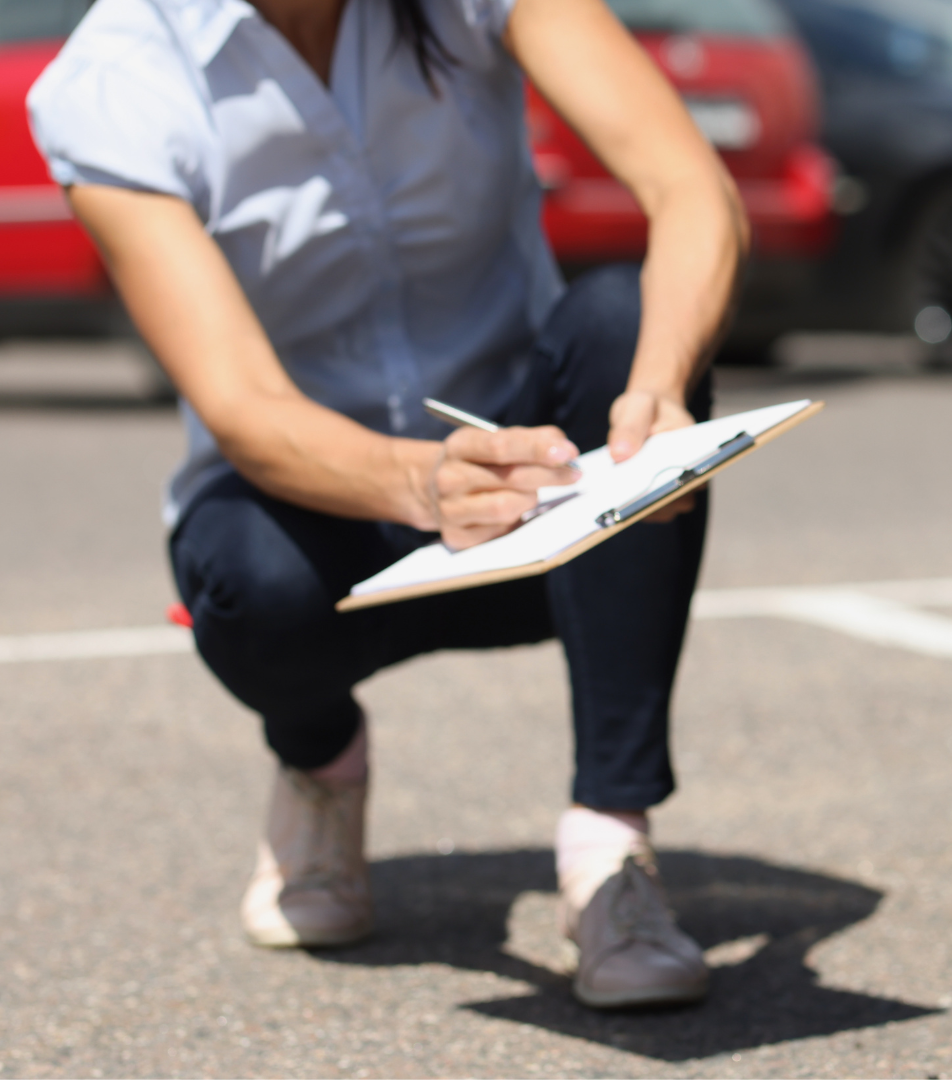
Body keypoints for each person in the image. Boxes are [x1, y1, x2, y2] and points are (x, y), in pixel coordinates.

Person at [28, 0, 747, 1009]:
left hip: (534, 475)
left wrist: (662, 389)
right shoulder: (115, 77)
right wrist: (421, 483)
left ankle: (611, 845)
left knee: (626, 319)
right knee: (248, 587)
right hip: (328, 495)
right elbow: (242, 407)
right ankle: (320, 764)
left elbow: (692, 188)